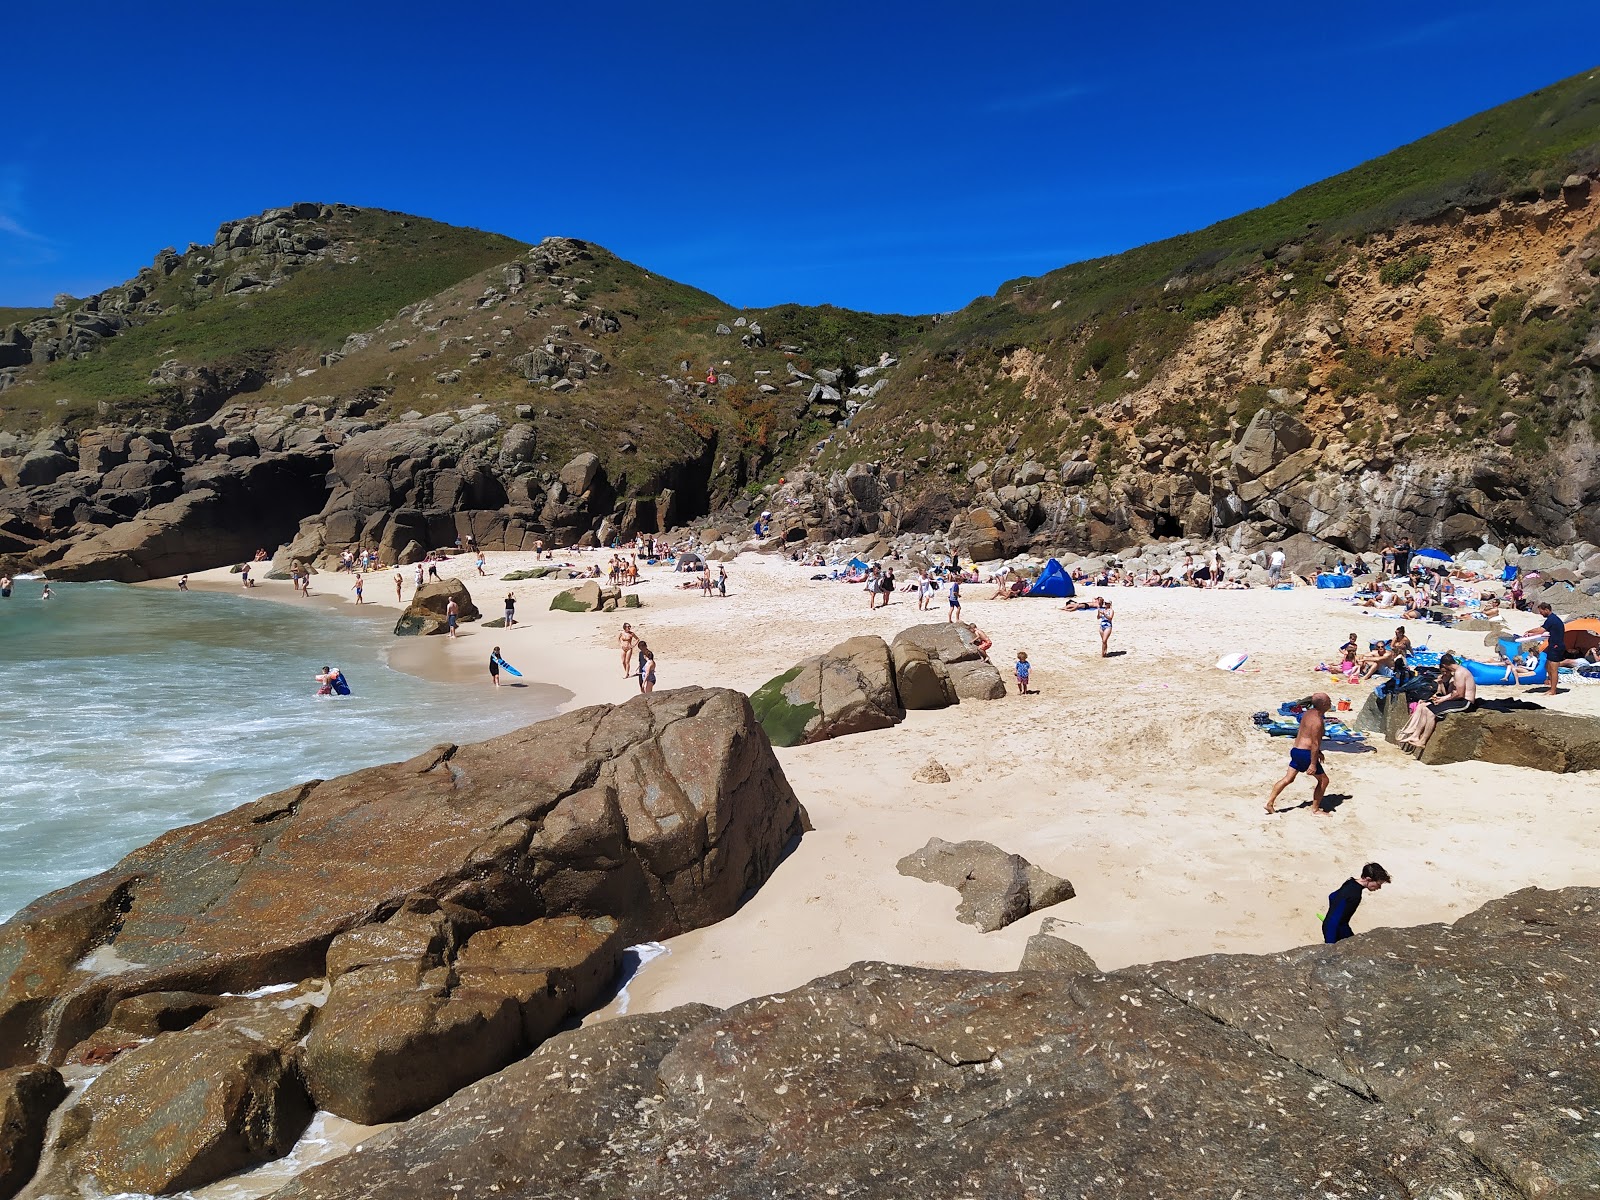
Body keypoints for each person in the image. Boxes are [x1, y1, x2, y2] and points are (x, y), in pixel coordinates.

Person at [1266, 693, 1330, 815]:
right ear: (1323, 704)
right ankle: (1315, 809)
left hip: (1296, 751)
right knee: (1324, 781)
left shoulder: (1308, 713)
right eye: (1329, 701)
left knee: (1288, 779)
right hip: (1305, 753)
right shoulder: (1318, 721)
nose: (1330, 704)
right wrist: (1312, 764)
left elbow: (1307, 734)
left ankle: (1269, 803)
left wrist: (1319, 752)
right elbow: (1315, 743)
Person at [1322, 864, 1391, 943]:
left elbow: (1332, 896)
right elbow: (1338, 921)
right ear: (1368, 879)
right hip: (1334, 930)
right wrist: (1331, 941)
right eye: (1378, 884)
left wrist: (1331, 914)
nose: (1379, 888)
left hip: (1332, 926)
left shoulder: (1349, 882)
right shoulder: (1355, 895)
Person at [1527, 602, 1573, 696]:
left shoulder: (1552, 619)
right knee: (1547, 667)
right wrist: (1531, 633)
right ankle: (1551, 687)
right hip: (1553, 645)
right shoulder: (1552, 619)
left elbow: (1541, 630)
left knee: (1553, 669)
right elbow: (1545, 631)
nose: (1541, 614)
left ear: (1546, 610)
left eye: (1541, 612)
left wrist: (1529, 631)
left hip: (1556, 646)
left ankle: (1553, 691)